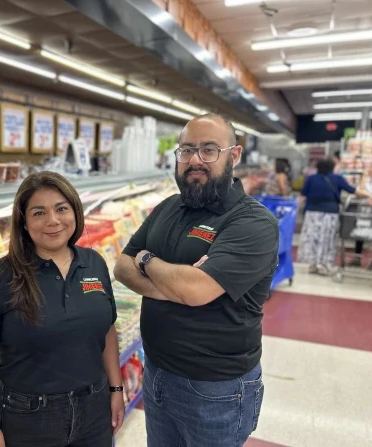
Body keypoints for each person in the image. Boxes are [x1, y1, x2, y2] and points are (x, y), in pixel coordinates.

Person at [113, 114, 279, 447]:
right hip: (157, 372)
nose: (195, 160)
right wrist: (176, 283)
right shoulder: (168, 207)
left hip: (216, 389)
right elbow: (121, 265)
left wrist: (147, 259)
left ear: (234, 155)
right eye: (187, 150)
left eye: (208, 150)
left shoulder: (253, 221)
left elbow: (194, 289)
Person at [0, 171, 125, 447]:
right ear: (23, 222)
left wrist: (116, 388)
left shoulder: (94, 263)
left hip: (94, 408)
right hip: (27, 417)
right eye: (38, 213)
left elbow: (107, 329)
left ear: (75, 211)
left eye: (61, 208)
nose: (53, 220)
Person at [298, 158, 372, 275]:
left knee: (313, 238)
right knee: (327, 239)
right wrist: (370, 195)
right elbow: (353, 191)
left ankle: (313, 264)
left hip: (312, 214)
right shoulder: (337, 179)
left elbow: (303, 196)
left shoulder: (311, 178)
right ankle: (323, 264)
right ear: (331, 167)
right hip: (329, 214)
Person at [352, 163, 372, 269]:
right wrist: (364, 177)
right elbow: (359, 192)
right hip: (364, 212)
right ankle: (357, 257)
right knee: (360, 234)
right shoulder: (366, 180)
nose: (371, 170)